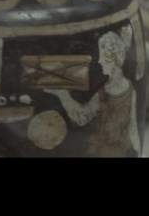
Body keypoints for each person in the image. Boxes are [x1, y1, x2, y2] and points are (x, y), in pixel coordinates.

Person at [45, 26, 141, 157]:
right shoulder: (103, 91)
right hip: (98, 150)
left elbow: (133, 129)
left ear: (114, 57)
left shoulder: (130, 92)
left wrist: (137, 152)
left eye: (103, 57)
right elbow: (82, 117)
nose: (100, 61)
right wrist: (62, 94)